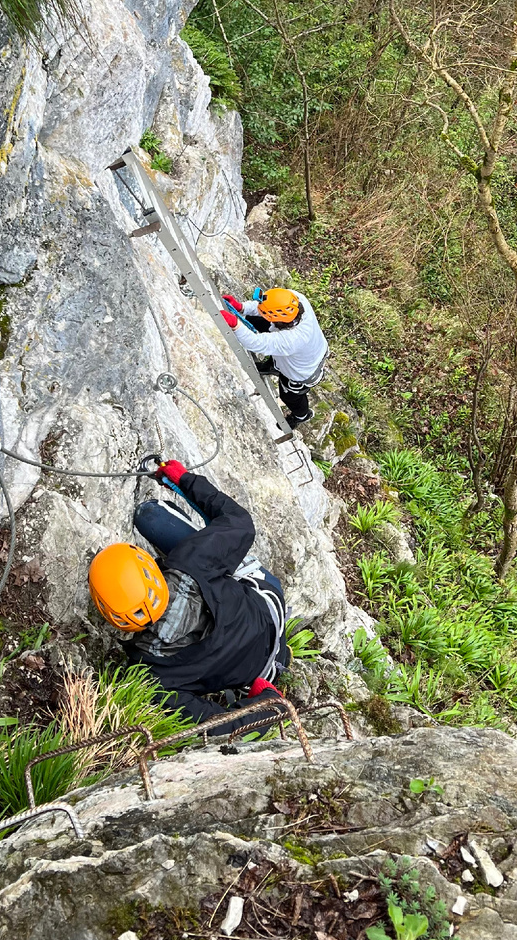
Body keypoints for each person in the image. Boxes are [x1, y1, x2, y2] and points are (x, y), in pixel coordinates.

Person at [87, 459, 290, 732]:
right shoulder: (190, 563)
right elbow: (239, 522)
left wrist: (270, 706)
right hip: (268, 604)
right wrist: (183, 479)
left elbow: (216, 726)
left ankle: (280, 659)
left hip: (259, 673)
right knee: (150, 514)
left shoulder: (151, 676)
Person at [220, 287, 328, 428]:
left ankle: (302, 415)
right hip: (310, 350)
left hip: (302, 372)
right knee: (253, 319)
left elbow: (255, 343)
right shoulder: (295, 299)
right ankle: (272, 366)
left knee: (290, 397)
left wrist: (235, 325)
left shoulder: (293, 340)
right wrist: (242, 307)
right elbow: (264, 307)